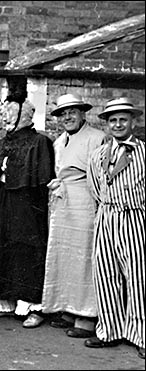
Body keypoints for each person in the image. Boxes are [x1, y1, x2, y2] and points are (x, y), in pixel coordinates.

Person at [0, 94, 55, 328]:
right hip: (0, 201)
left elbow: (41, 180)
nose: (6, 118)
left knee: (25, 250)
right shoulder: (2, 140)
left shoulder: (40, 141)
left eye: (10, 114)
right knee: (0, 246)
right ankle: (4, 301)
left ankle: (31, 304)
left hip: (25, 204)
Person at [41, 94, 107, 338]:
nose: (67, 117)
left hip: (85, 200)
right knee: (65, 254)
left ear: (83, 114)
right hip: (62, 201)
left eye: (72, 112)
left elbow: (102, 176)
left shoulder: (97, 138)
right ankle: (68, 307)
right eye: (63, 113)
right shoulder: (59, 141)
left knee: (84, 256)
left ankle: (87, 315)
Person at [84, 98, 144, 359]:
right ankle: (109, 330)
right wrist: (108, 209)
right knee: (105, 275)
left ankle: (141, 334)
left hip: (135, 218)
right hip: (106, 217)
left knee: (139, 277)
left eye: (123, 119)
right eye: (113, 120)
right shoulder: (98, 154)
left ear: (134, 122)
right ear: (106, 125)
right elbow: (94, 188)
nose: (118, 124)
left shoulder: (143, 152)